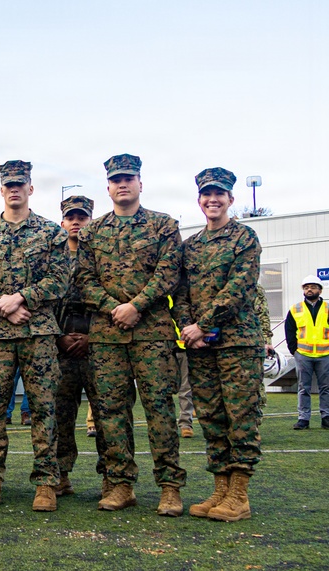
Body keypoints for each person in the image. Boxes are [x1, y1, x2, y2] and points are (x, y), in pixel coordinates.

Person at [75, 153, 186, 516]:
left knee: (159, 410)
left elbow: (169, 274)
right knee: (111, 412)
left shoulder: (163, 226)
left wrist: (136, 305)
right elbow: (83, 281)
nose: (123, 184)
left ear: (141, 183)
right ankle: (121, 484)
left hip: (152, 333)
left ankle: (170, 487)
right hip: (107, 336)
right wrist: (114, 308)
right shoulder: (93, 232)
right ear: (108, 187)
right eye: (116, 180)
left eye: (129, 178)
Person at [0, 160, 69, 511]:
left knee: (44, 408)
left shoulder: (51, 232)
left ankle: (45, 484)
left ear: (30, 189)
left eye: (19, 184)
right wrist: (1, 304)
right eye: (8, 184)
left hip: (38, 334)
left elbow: (60, 279)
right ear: (1, 190)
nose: (14, 189)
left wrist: (22, 297)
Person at [173, 167, 265, 521]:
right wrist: (187, 327)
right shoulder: (190, 246)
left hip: (237, 344)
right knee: (211, 416)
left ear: (230, 199)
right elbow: (179, 293)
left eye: (219, 194)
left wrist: (203, 324)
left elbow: (238, 289)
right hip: (200, 347)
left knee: (240, 416)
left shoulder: (244, 238)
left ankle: (239, 494)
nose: (213, 200)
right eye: (206, 194)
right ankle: (220, 490)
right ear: (199, 201)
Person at [54, 195, 106, 497]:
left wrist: (92, 336)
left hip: (98, 343)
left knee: (106, 413)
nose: (76, 222)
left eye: (82, 217)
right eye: (71, 217)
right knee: (61, 414)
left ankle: (111, 477)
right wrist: (59, 336)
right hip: (61, 344)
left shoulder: (102, 255)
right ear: (63, 222)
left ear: (91, 221)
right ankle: (61, 474)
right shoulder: (53, 257)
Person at [284, 275, 329, 430]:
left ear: (320, 290)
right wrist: (294, 351)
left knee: (326, 387)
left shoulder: (328, 309)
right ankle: (303, 419)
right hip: (303, 354)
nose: (309, 289)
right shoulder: (295, 309)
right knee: (304, 387)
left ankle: (326, 417)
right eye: (306, 287)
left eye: (313, 287)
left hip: (325, 354)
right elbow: (289, 331)